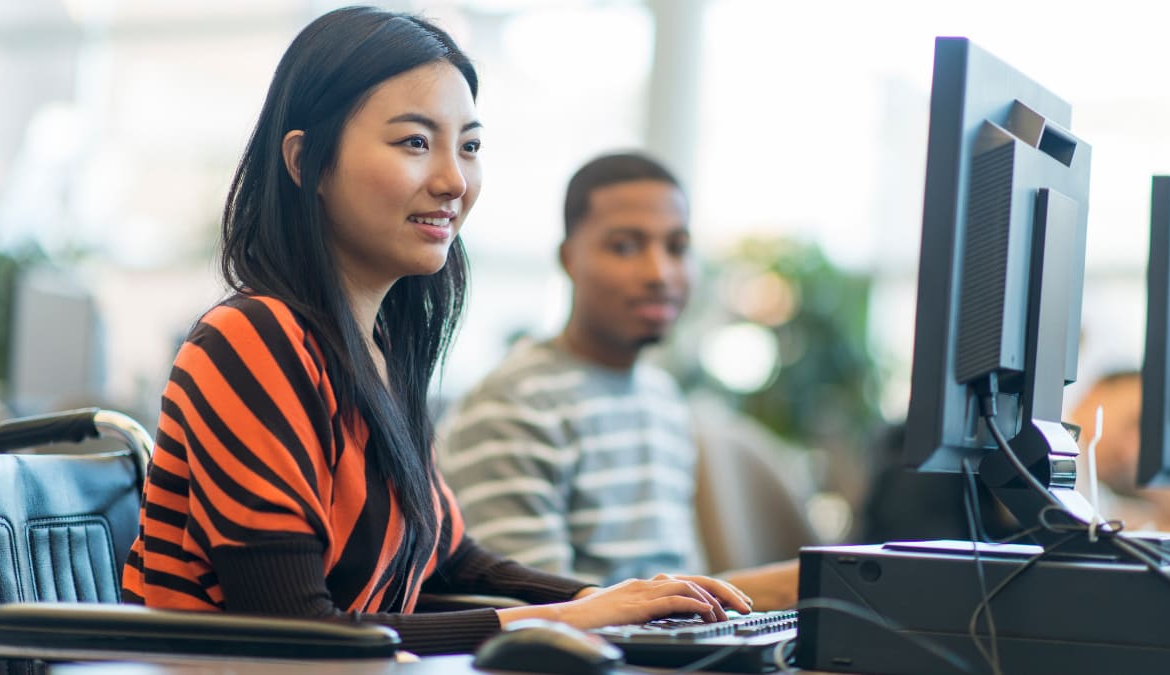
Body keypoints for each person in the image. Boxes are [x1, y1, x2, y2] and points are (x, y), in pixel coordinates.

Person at [120, 7, 751, 657]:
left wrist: (618, 600)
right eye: (415, 142)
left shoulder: (380, 352)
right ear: (307, 161)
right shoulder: (250, 342)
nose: (454, 180)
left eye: (469, 145)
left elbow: (453, 559)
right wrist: (565, 617)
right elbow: (296, 633)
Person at [437, 151, 800, 610]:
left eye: (677, 247)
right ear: (569, 259)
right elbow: (545, 621)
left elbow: (677, 591)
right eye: (625, 246)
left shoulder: (661, 397)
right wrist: (782, 590)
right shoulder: (512, 406)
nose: (659, 273)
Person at [1067, 370, 1170, 533]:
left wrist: (1156, 474)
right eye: (1136, 422)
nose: (1131, 454)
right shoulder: (1056, 437)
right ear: (1098, 391)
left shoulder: (1098, 499)